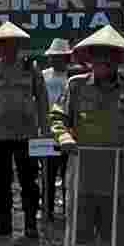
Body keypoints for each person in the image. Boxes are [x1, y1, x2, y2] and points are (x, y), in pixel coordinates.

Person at [49, 25, 124, 246]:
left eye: (109, 56)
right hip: (83, 175)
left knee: (116, 239)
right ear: (89, 59)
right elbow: (58, 117)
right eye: (98, 56)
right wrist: (66, 138)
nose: (104, 61)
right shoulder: (75, 86)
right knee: (80, 237)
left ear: (118, 59)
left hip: (120, 176)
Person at [0, 21, 50, 240]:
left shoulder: (31, 68)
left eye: (13, 44)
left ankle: (30, 223)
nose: (9, 47)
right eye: (4, 44)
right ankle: (3, 223)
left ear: (18, 45)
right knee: (1, 181)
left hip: (27, 135)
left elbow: (42, 100)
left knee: (29, 181)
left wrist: (44, 130)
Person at [39, 37, 73, 220]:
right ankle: (47, 208)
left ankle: (69, 209)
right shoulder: (43, 75)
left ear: (66, 57)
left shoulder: (73, 77)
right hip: (48, 131)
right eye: (53, 56)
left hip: (70, 132)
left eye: (59, 56)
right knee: (47, 172)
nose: (55, 59)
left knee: (69, 173)